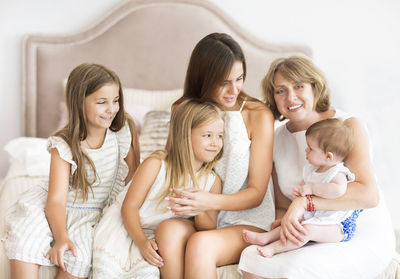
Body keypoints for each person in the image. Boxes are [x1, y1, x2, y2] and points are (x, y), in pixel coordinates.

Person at [238, 56, 395, 278]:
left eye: (299, 86)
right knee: (252, 258)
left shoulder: (345, 126)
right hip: (312, 228)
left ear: (315, 87)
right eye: (280, 90)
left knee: (295, 269)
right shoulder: (276, 139)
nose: (290, 96)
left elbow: (368, 196)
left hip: (354, 230)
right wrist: (286, 224)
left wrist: (305, 203)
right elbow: (284, 205)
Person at [2, 63, 140, 279]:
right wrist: (61, 237)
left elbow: (133, 178)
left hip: (92, 214)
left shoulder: (123, 131)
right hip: (57, 206)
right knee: (25, 240)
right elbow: (56, 201)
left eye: (115, 100)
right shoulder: (64, 144)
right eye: (102, 102)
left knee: (79, 258)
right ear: (79, 103)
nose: (112, 109)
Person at [156, 32, 275, 279]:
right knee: (168, 231)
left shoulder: (257, 115)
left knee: (202, 245)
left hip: (246, 218)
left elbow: (257, 193)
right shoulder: (183, 110)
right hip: (199, 215)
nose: (234, 89)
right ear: (204, 78)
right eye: (224, 82)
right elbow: (174, 166)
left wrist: (209, 202)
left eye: (239, 78)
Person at [91, 99, 224, 279]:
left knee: (164, 238)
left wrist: (198, 209)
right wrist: (142, 242)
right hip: (131, 227)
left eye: (220, 136)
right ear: (185, 135)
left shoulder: (211, 180)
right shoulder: (156, 165)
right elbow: (129, 208)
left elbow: (208, 226)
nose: (215, 143)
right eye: (208, 135)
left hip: (165, 233)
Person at [243, 118, 361, 258]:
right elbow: (304, 184)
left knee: (306, 230)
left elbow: (338, 191)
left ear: (328, 156)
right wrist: (300, 189)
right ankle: (266, 237)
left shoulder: (337, 173)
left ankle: (274, 248)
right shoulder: (312, 169)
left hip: (338, 225)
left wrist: (312, 189)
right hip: (317, 216)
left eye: (310, 148)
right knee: (293, 223)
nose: (306, 150)